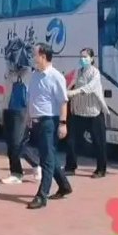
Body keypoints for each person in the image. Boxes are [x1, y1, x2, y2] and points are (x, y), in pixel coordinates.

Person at [26, 43, 73, 210]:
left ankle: (42, 196)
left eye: (35, 54)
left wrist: (63, 124)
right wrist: (29, 116)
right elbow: (31, 97)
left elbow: (63, 102)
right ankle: (64, 185)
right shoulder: (34, 75)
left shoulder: (55, 77)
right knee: (49, 156)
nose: (33, 57)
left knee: (46, 160)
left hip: (49, 122)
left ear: (43, 57)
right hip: (36, 121)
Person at [64, 48, 109, 178]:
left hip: (94, 113)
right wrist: (69, 93)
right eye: (81, 56)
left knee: (99, 143)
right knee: (72, 141)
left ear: (91, 58)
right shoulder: (79, 72)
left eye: (85, 57)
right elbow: (75, 85)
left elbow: (89, 87)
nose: (82, 59)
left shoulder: (95, 73)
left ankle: (101, 169)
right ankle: (70, 167)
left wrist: (75, 92)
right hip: (79, 112)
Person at [1, 67, 42, 185]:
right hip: (8, 109)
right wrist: (1, 111)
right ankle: (17, 171)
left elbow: (32, 95)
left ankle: (23, 170)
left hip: (21, 111)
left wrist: (31, 114)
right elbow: (5, 93)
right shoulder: (9, 72)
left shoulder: (30, 73)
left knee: (16, 143)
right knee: (11, 143)